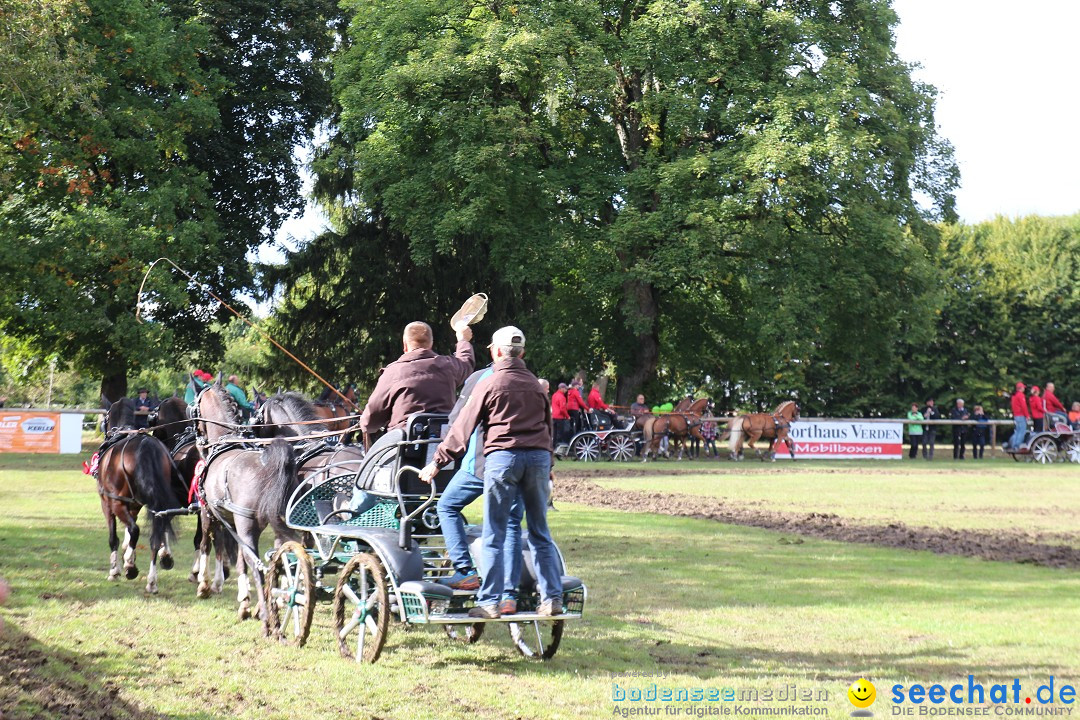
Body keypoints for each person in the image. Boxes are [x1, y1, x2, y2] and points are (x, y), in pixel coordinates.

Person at [419, 326, 563, 619]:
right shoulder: (537, 386)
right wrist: (548, 468)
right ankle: (551, 598)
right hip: (536, 461)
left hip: (502, 459)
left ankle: (490, 602)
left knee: (494, 533)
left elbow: (462, 427)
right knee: (539, 533)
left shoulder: (489, 383)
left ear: (496, 352)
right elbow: (548, 430)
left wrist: (437, 462)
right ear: (521, 353)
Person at [434, 364, 524, 614]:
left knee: (447, 505)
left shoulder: (481, 378)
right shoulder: (528, 379)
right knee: (511, 525)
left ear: (495, 351)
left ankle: (465, 571)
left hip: (482, 464)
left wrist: (440, 458)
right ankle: (508, 596)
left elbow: (458, 421)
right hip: (520, 465)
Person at [358, 321, 474, 448]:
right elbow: (466, 362)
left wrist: (364, 424)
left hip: (403, 449)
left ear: (404, 344)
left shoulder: (393, 373)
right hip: (443, 448)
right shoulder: (448, 366)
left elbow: (371, 419)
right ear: (431, 344)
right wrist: (463, 340)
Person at [1008, 382, 1030, 450]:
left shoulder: (1014, 396)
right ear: (1021, 388)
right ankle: (1017, 446)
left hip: (1016, 415)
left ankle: (1013, 445)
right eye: (1023, 387)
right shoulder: (1021, 395)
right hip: (1021, 415)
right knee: (1022, 431)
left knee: (1017, 431)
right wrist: (1027, 415)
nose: (1024, 389)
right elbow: (1024, 406)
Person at [551, 382, 571, 447]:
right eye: (565, 389)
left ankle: (553, 446)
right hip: (560, 417)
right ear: (562, 388)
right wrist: (567, 416)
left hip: (554, 416)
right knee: (560, 433)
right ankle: (558, 447)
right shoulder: (562, 397)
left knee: (554, 433)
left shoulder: (554, 395)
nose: (566, 390)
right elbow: (562, 409)